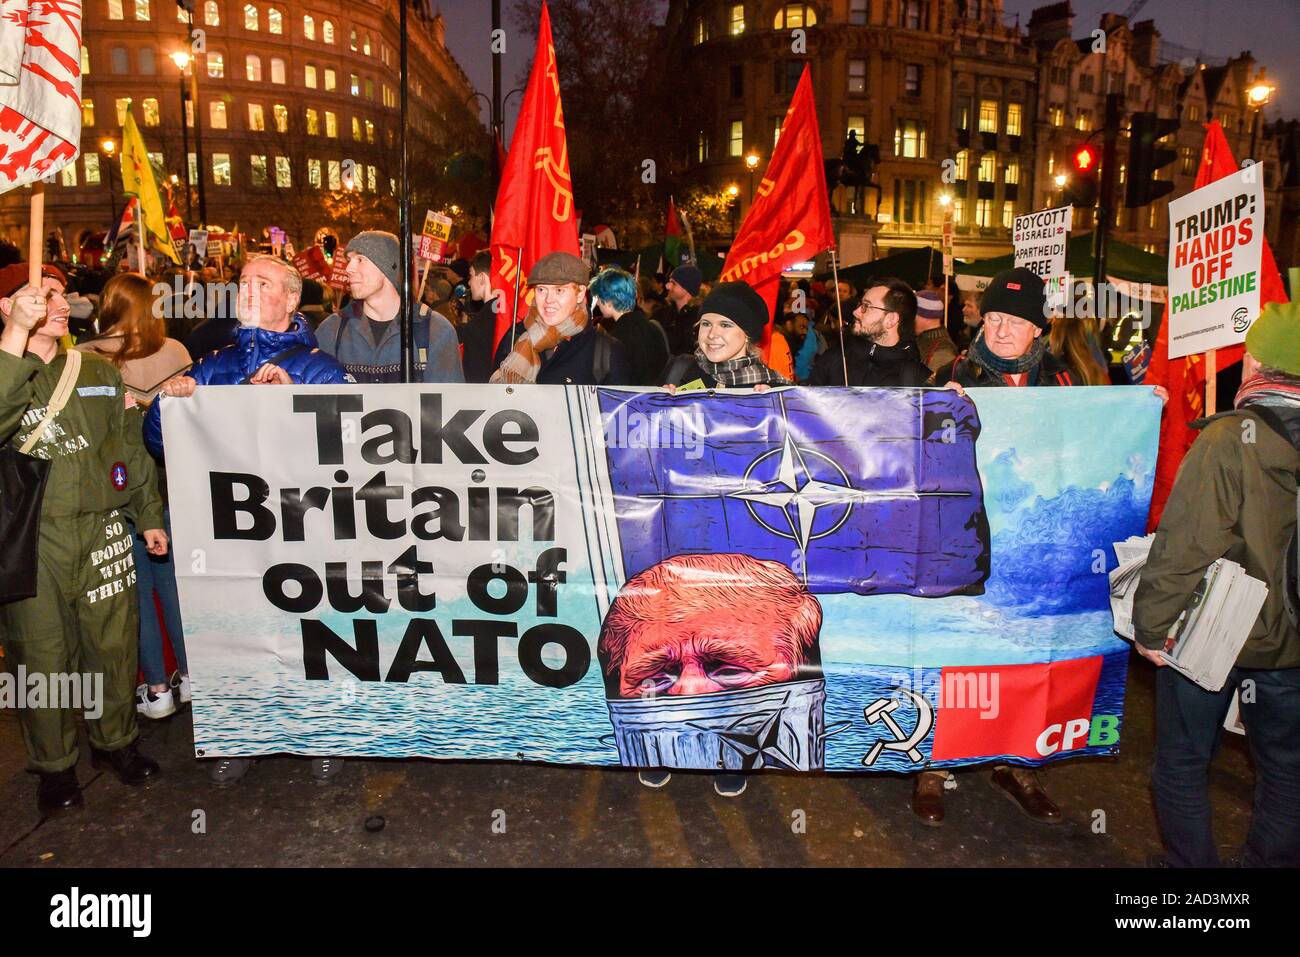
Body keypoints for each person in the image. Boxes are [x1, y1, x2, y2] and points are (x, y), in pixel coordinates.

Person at [147, 255, 348, 786]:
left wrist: (296, 401)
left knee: (308, 631)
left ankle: (319, 734)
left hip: (302, 530)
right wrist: (169, 405)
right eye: (242, 283)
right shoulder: (211, 365)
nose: (247, 291)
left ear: (289, 298)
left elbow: (353, 447)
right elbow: (158, 443)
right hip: (230, 534)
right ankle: (241, 735)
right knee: (237, 633)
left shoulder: (321, 369)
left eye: (262, 284)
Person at [1133, 300, 1300, 868]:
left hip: (1217, 638)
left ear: (1258, 364)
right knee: (1286, 769)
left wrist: (1151, 627)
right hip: (1293, 647)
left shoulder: (1231, 439)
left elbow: (1186, 545)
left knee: (1182, 761)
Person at [0, 264, 167, 815]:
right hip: (33, 540)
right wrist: (14, 342)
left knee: (112, 644)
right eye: (36, 296)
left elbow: (125, 447)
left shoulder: (95, 369)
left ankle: (116, 742)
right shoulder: (7, 369)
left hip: (101, 531)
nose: (54, 303)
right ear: (8, 307)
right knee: (40, 655)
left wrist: (147, 513)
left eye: (57, 294)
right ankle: (54, 766)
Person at [77, 273, 193, 721]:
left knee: (137, 591)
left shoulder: (83, 360)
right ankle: (194, 675)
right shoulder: (176, 354)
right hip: (169, 482)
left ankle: (157, 686)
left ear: (108, 304)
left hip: (116, 488)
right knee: (176, 584)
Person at [316, 230, 464, 384]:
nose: (348, 269)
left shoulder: (436, 331)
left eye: (360, 259)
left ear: (388, 267)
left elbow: (447, 404)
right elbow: (314, 400)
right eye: (349, 260)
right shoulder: (331, 330)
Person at [490, 251, 631, 386]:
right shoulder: (515, 335)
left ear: (580, 293)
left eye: (559, 290)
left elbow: (618, 410)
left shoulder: (606, 352)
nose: (548, 300)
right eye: (541, 289)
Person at [946, 268, 1074, 389]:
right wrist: (934, 405)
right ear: (983, 320)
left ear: (1037, 329)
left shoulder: (1063, 380)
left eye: (1016, 322)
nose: (1002, 332)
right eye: (994, 319)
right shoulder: (951, 376)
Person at [660, 279, 792, 394]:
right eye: (706, 324)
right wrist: (667, 406)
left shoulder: (774, 388)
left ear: (747, 334)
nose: (712, 334)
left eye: (725, 325)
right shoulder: (690, 371)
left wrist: (772, 410)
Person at [808, 277, 931, 387]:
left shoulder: (916, 379)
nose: (855, 312)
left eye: (866, 306)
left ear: (891, 319)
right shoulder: (838, 356)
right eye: (860, 304)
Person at [589, 267, 669, 387]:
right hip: (656, 399)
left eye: (599, 298)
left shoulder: (616, 338)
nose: (598, 303)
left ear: (609, 301)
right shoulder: (653, 327)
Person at [457, 250, 501, 384]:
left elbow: (474, 379)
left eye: (471, 276)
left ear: (482, 278)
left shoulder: (477, 327)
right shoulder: (510, 315)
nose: (469, 283)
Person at [914, 289, 958, 380]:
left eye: (913, 314)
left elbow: (935, 390)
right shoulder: (923, 340)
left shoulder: (941, 352)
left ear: (925, 316)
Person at [659, 264, 702, 355]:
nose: (668, 286)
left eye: (673, 283)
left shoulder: (698, 318)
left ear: (687, 288)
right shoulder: (664, 313)